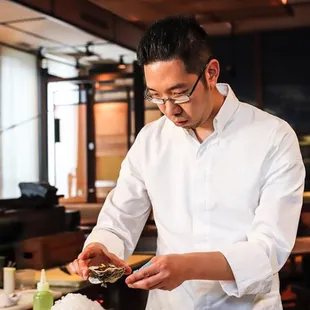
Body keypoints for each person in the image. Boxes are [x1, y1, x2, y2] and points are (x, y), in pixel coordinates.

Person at [69, 15, 305, 309]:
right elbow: (120, 219)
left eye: (179, 94)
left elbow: (269, 249)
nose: (169, 110)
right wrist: (101, 246)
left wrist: (187, 267)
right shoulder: (150, 141)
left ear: (211, 73)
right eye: (156, 97)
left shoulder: (273, 136)